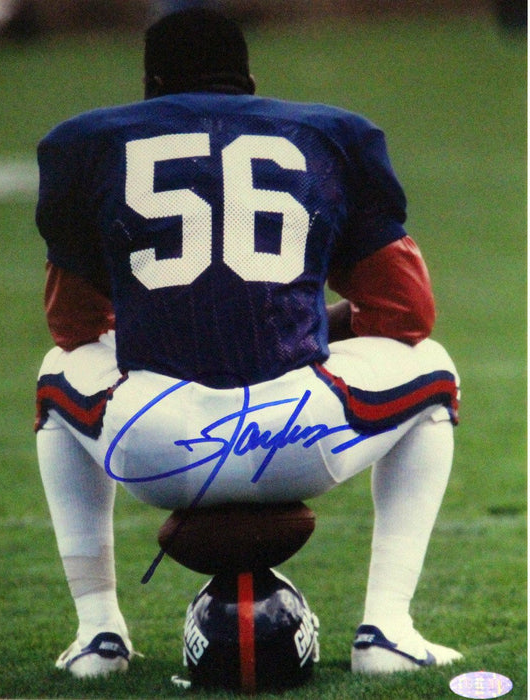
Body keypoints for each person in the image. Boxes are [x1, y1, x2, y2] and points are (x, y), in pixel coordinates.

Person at [35, 8, 463, 679]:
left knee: (56, 374)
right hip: (296, 434)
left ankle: (98, 635)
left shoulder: (84, 144)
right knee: (433, 369)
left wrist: (155, 321)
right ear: (250, 79)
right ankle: (387, 629)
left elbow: (72, 327)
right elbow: (407, 313)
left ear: (150, 82)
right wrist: (314, 324)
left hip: (154, 443)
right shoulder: (330, 135)